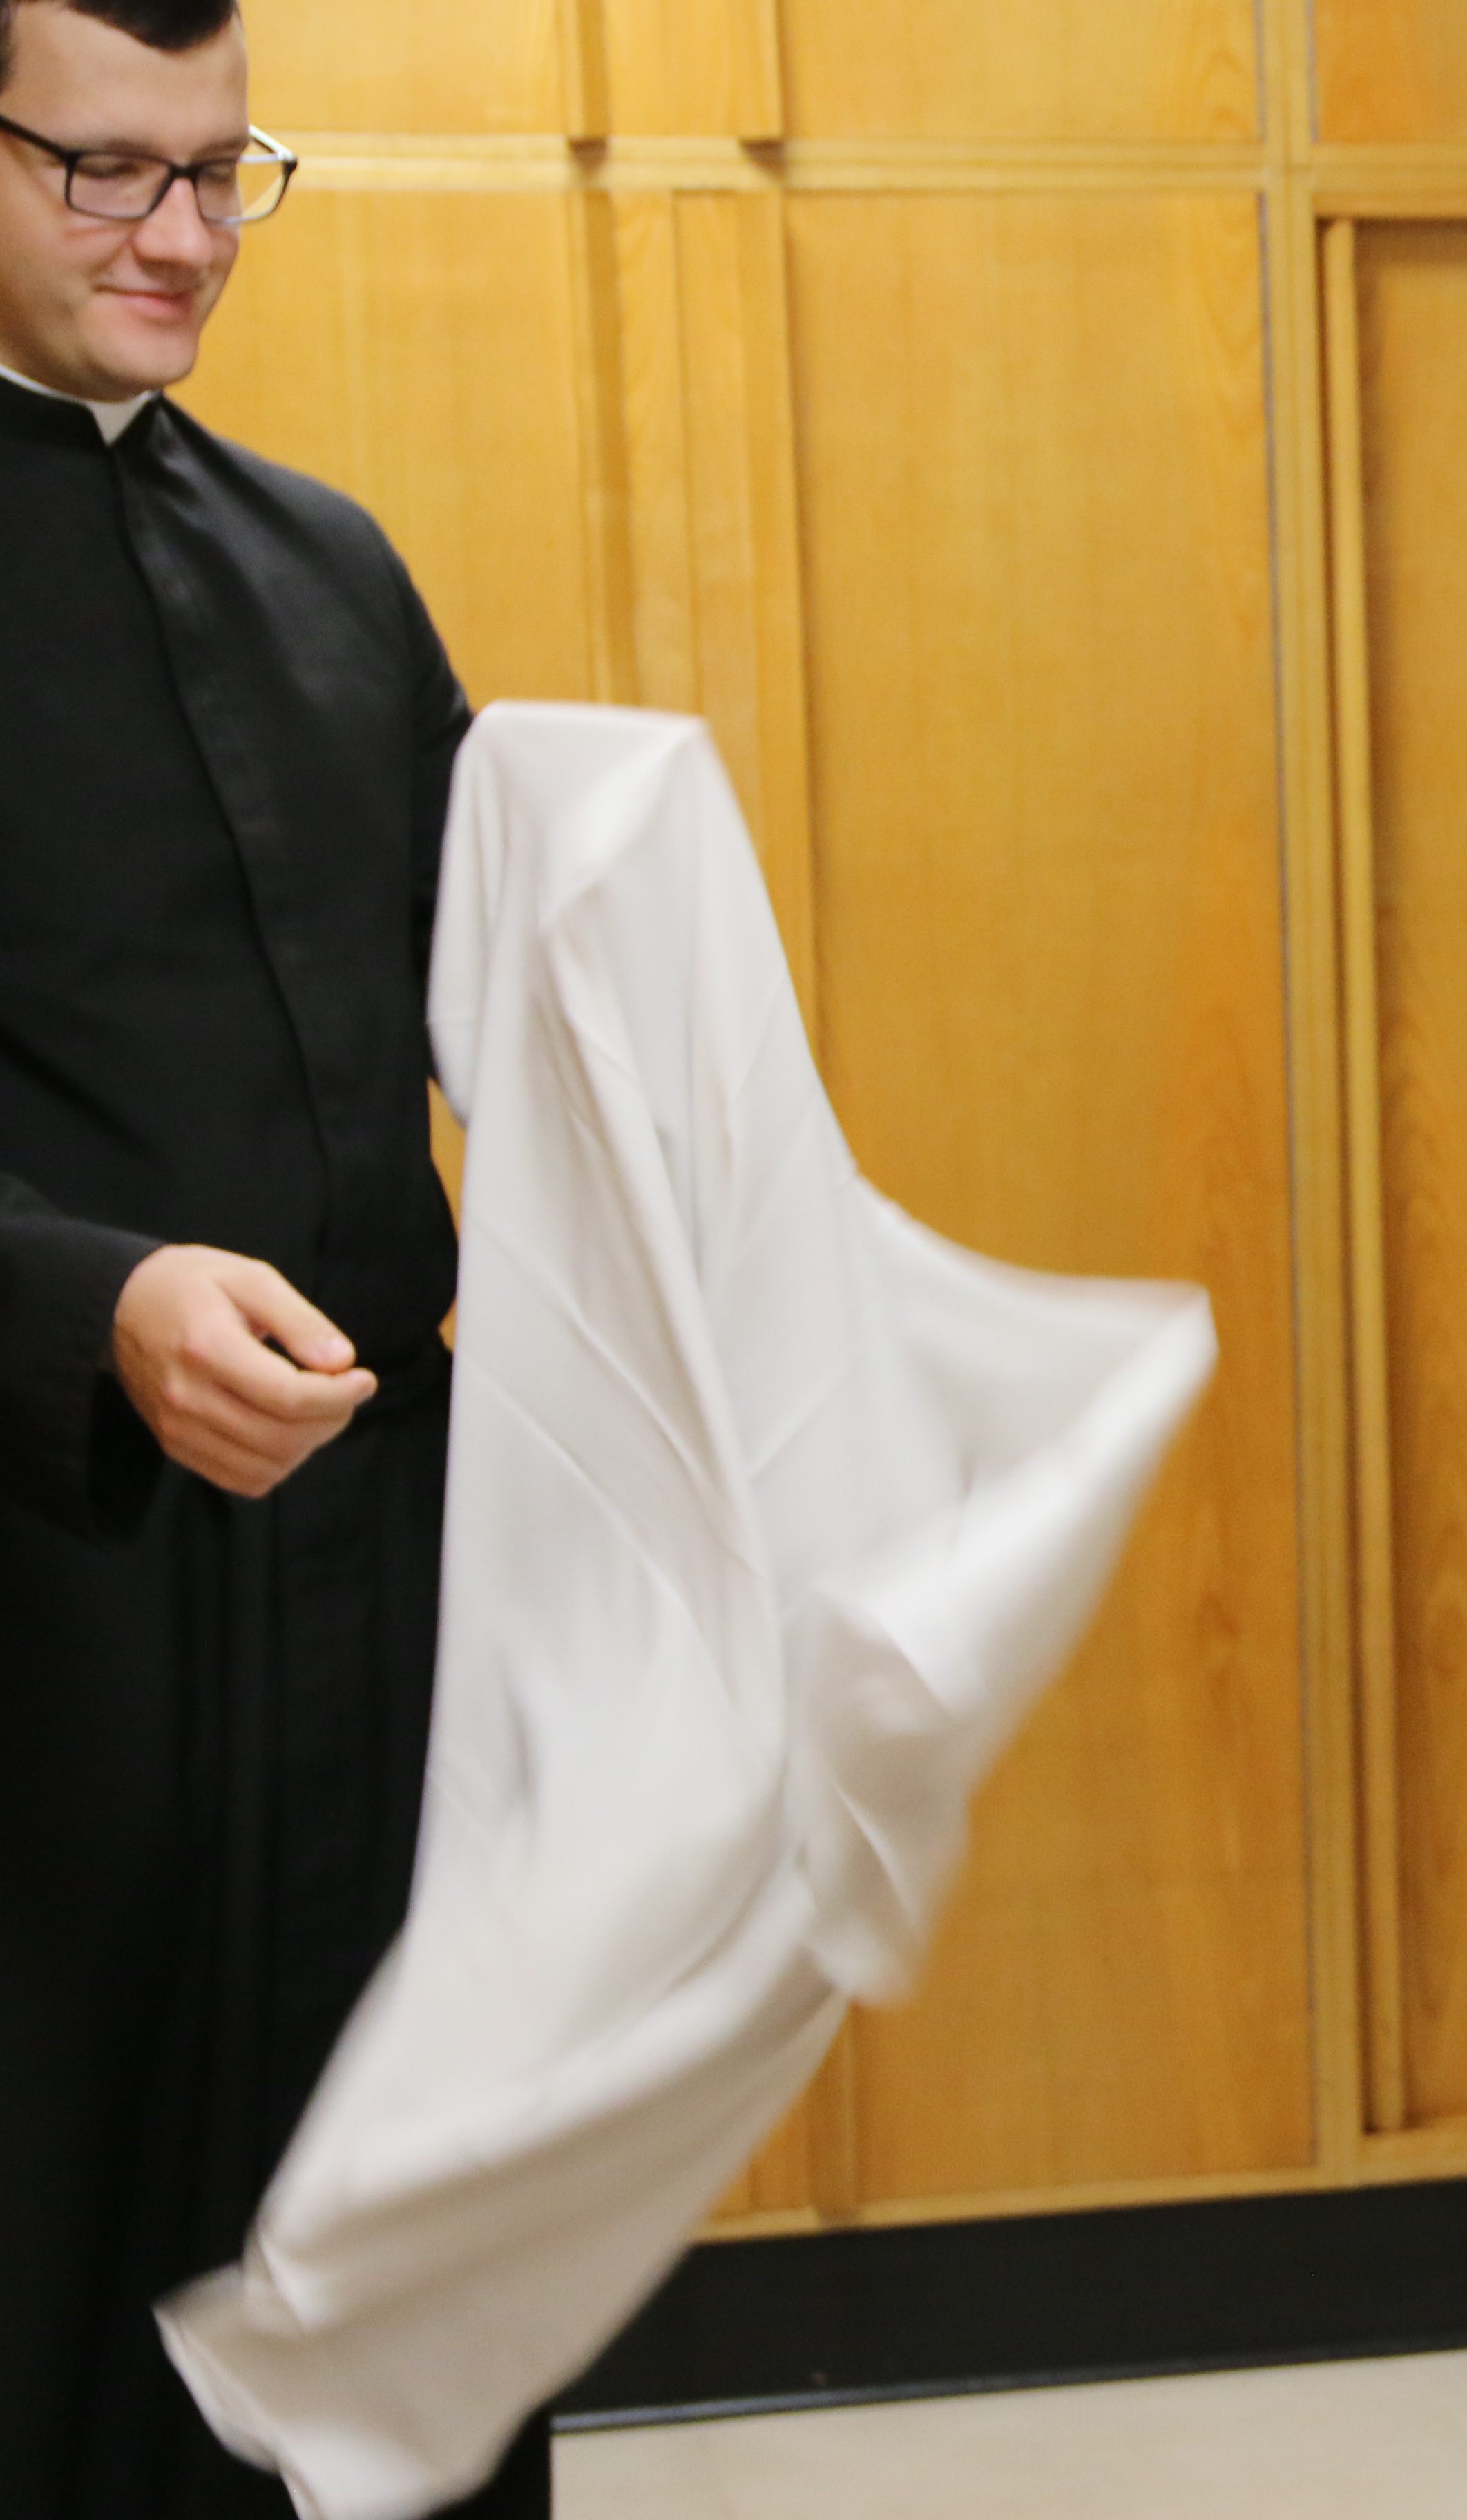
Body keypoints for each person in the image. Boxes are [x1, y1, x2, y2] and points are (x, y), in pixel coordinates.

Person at [0, 1, 545, 2508]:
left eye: (224, 171)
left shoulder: (329, 561)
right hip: (57, 1620)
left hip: (386, 1584)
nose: (188, 238)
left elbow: (486, 997)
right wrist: (90, 1300)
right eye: (106, 171)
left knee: (412, 2283)